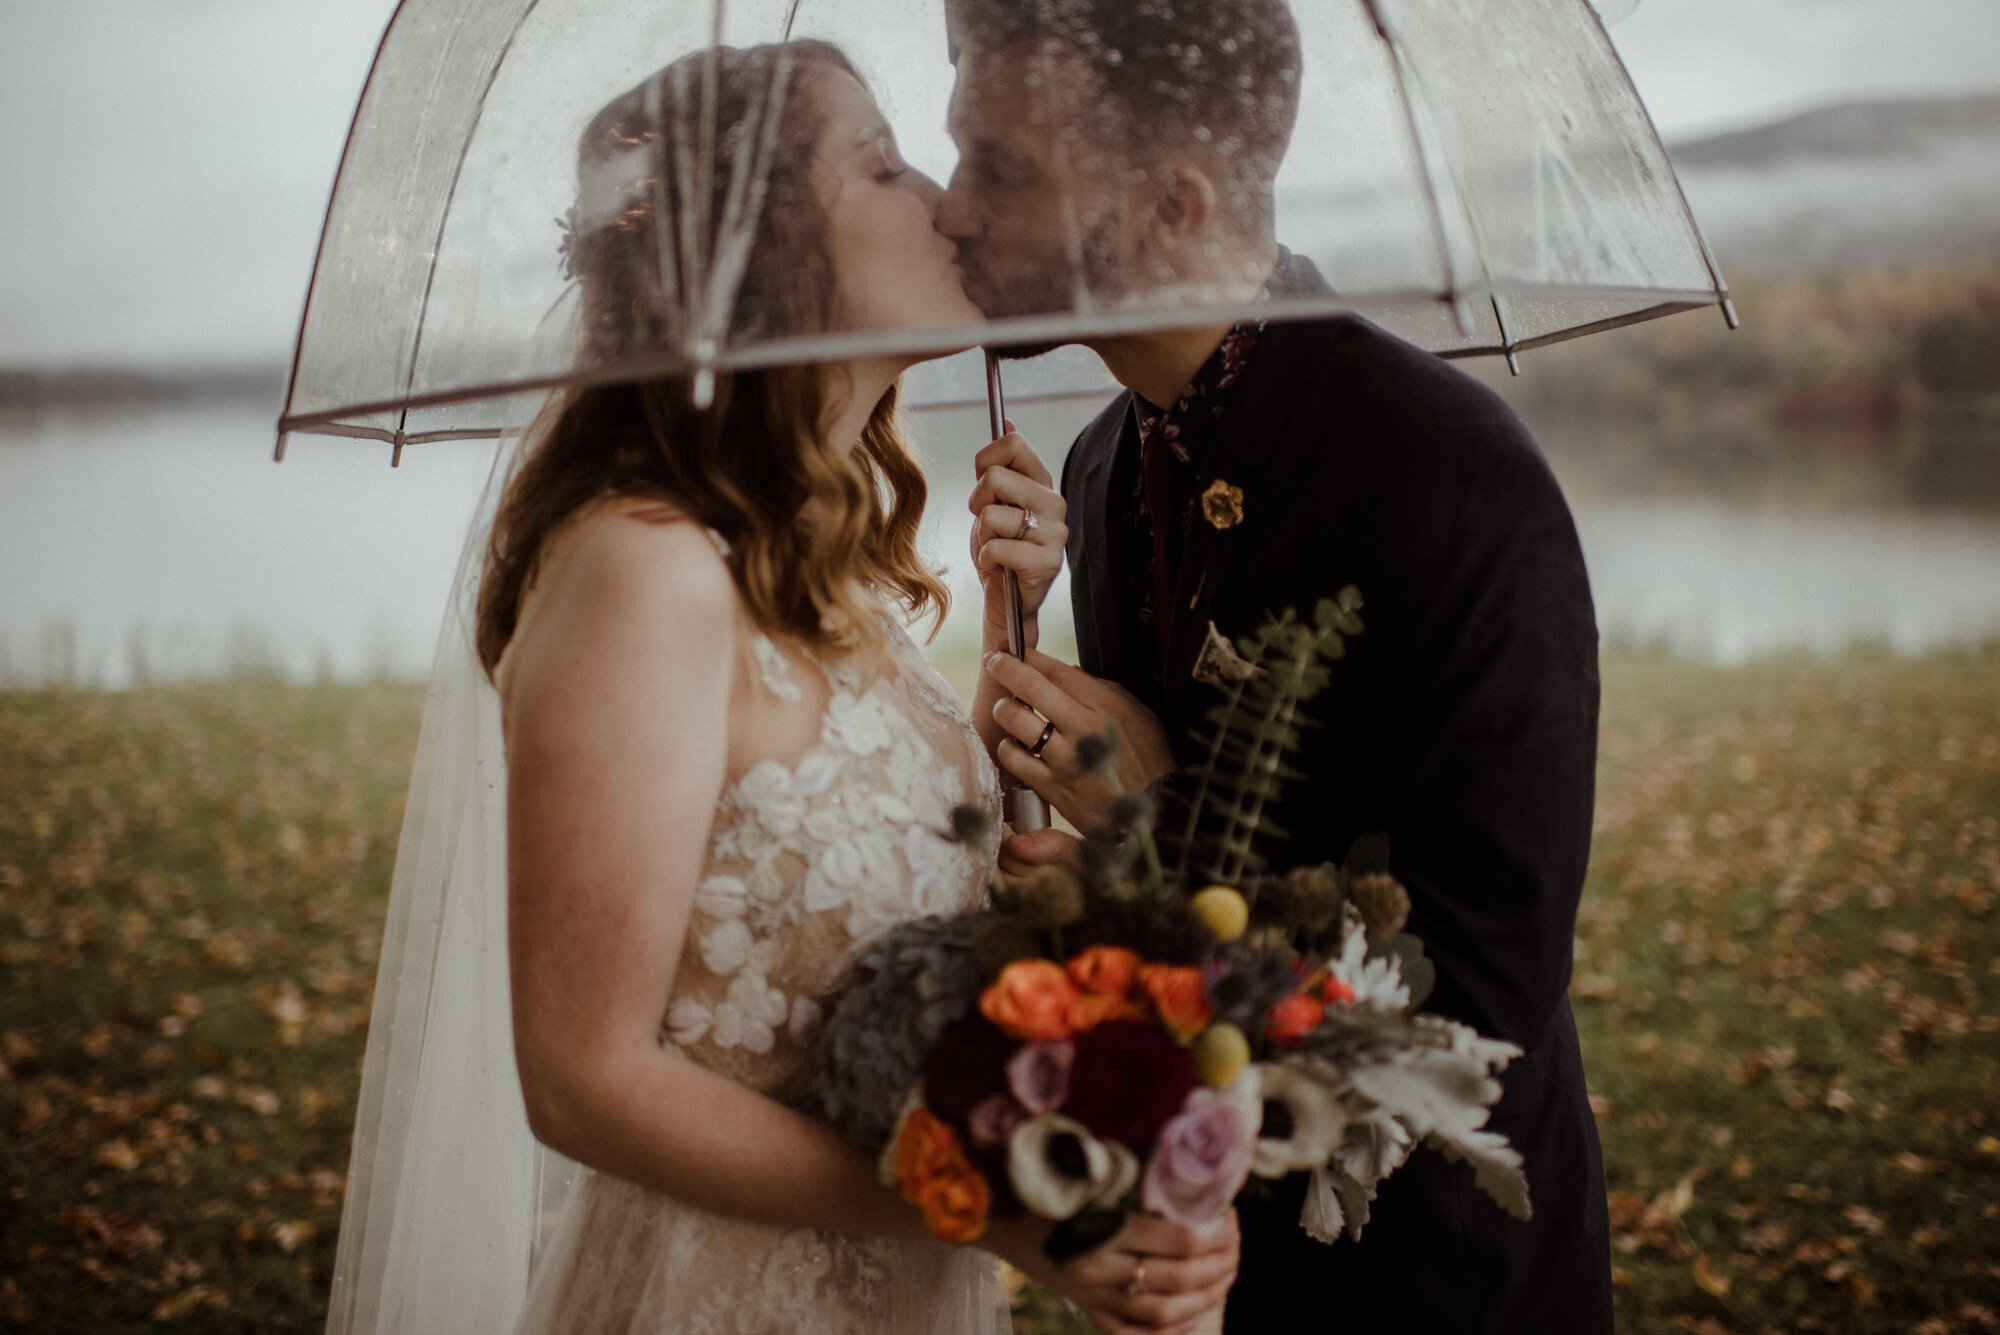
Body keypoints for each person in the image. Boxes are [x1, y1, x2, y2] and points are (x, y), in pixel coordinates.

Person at [320, 37, 1242, 1335]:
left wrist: (1005, 622)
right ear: (758, 253)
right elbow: (584, 1080)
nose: (939, 196)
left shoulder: (825, 563)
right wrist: (994, 1208)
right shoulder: (647, 572)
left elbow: (851, 869)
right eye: (878, 163)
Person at [939, 2, 1616, 1332]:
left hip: (1436, 1280)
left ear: (1177, 204)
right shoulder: (1099, 467)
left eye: (1001, 168)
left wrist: (1155, 815)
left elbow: (1474, 1011)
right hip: (1206, 1266)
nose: (953, 209)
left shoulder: (1451, 480)